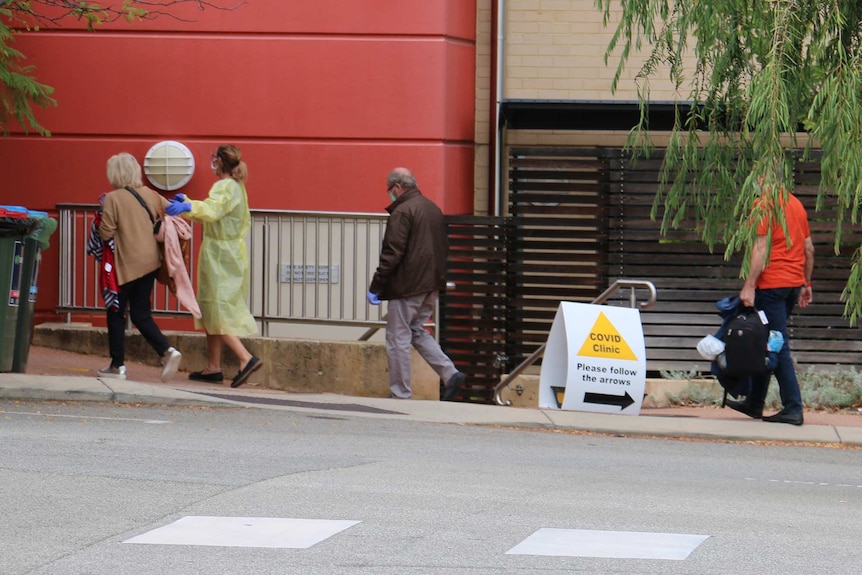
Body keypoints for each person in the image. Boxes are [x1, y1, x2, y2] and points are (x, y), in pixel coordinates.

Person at [165, 144, 262, 388]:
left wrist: (188, 206)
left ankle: (245, 357)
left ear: (219, 161)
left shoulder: (224, 186)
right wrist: (188, 203)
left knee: (215, 309)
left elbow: (212, 210)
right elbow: (214, 209)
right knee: (211, 307)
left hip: (220, 254)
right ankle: (213, 366)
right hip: (229, 252)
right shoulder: (236, 187)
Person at [367, 167, 466, 401]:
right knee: (417, 331)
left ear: (398, 187)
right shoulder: (432, 208)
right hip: (431, 283)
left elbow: (392, 252)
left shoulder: (402, 211)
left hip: (407, 284)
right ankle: (450, 373)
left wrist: (376, 286)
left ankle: (400, 393)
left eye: (389, 191)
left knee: (397, 337)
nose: (389, 195)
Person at [725, 175, 814, 426]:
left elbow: (761, 248)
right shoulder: (795, 204)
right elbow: (809, 249)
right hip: (793, 285)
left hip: (771, 285)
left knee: (778, 345)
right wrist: (806, 284)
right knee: (766, 341)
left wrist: (749, 285)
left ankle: (793, 408)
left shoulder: (764, 205)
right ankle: (755, 402)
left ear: (763, 177)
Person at [97, 153, 182, 382]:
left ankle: (118, 366)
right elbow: (173, 211)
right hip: (151, 262)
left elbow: (105, 233)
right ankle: (167, 350)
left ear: (114, 174)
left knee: (115, 312)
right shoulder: (152, 195)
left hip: (127, 265)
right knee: (141, 313)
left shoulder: (113, 199)